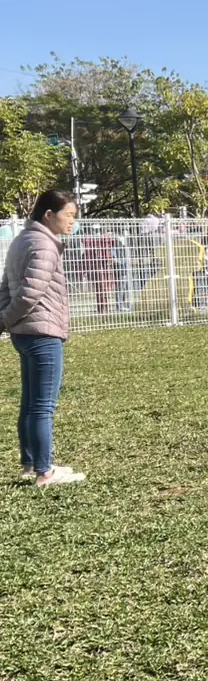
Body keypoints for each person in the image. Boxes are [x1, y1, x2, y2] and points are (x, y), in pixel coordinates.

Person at [0, 190, 86, 488]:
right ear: (49, 215)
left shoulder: (21, 241)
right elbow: (27, 295)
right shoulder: (44, 245)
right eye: (69, 216)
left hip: (23, 334)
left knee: (29, 403)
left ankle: (31, 464)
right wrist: (5, 318)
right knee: (42, 406)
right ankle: (45, 472)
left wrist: (5, 320)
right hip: (42, 333)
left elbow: (6, 287)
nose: (72, 222)